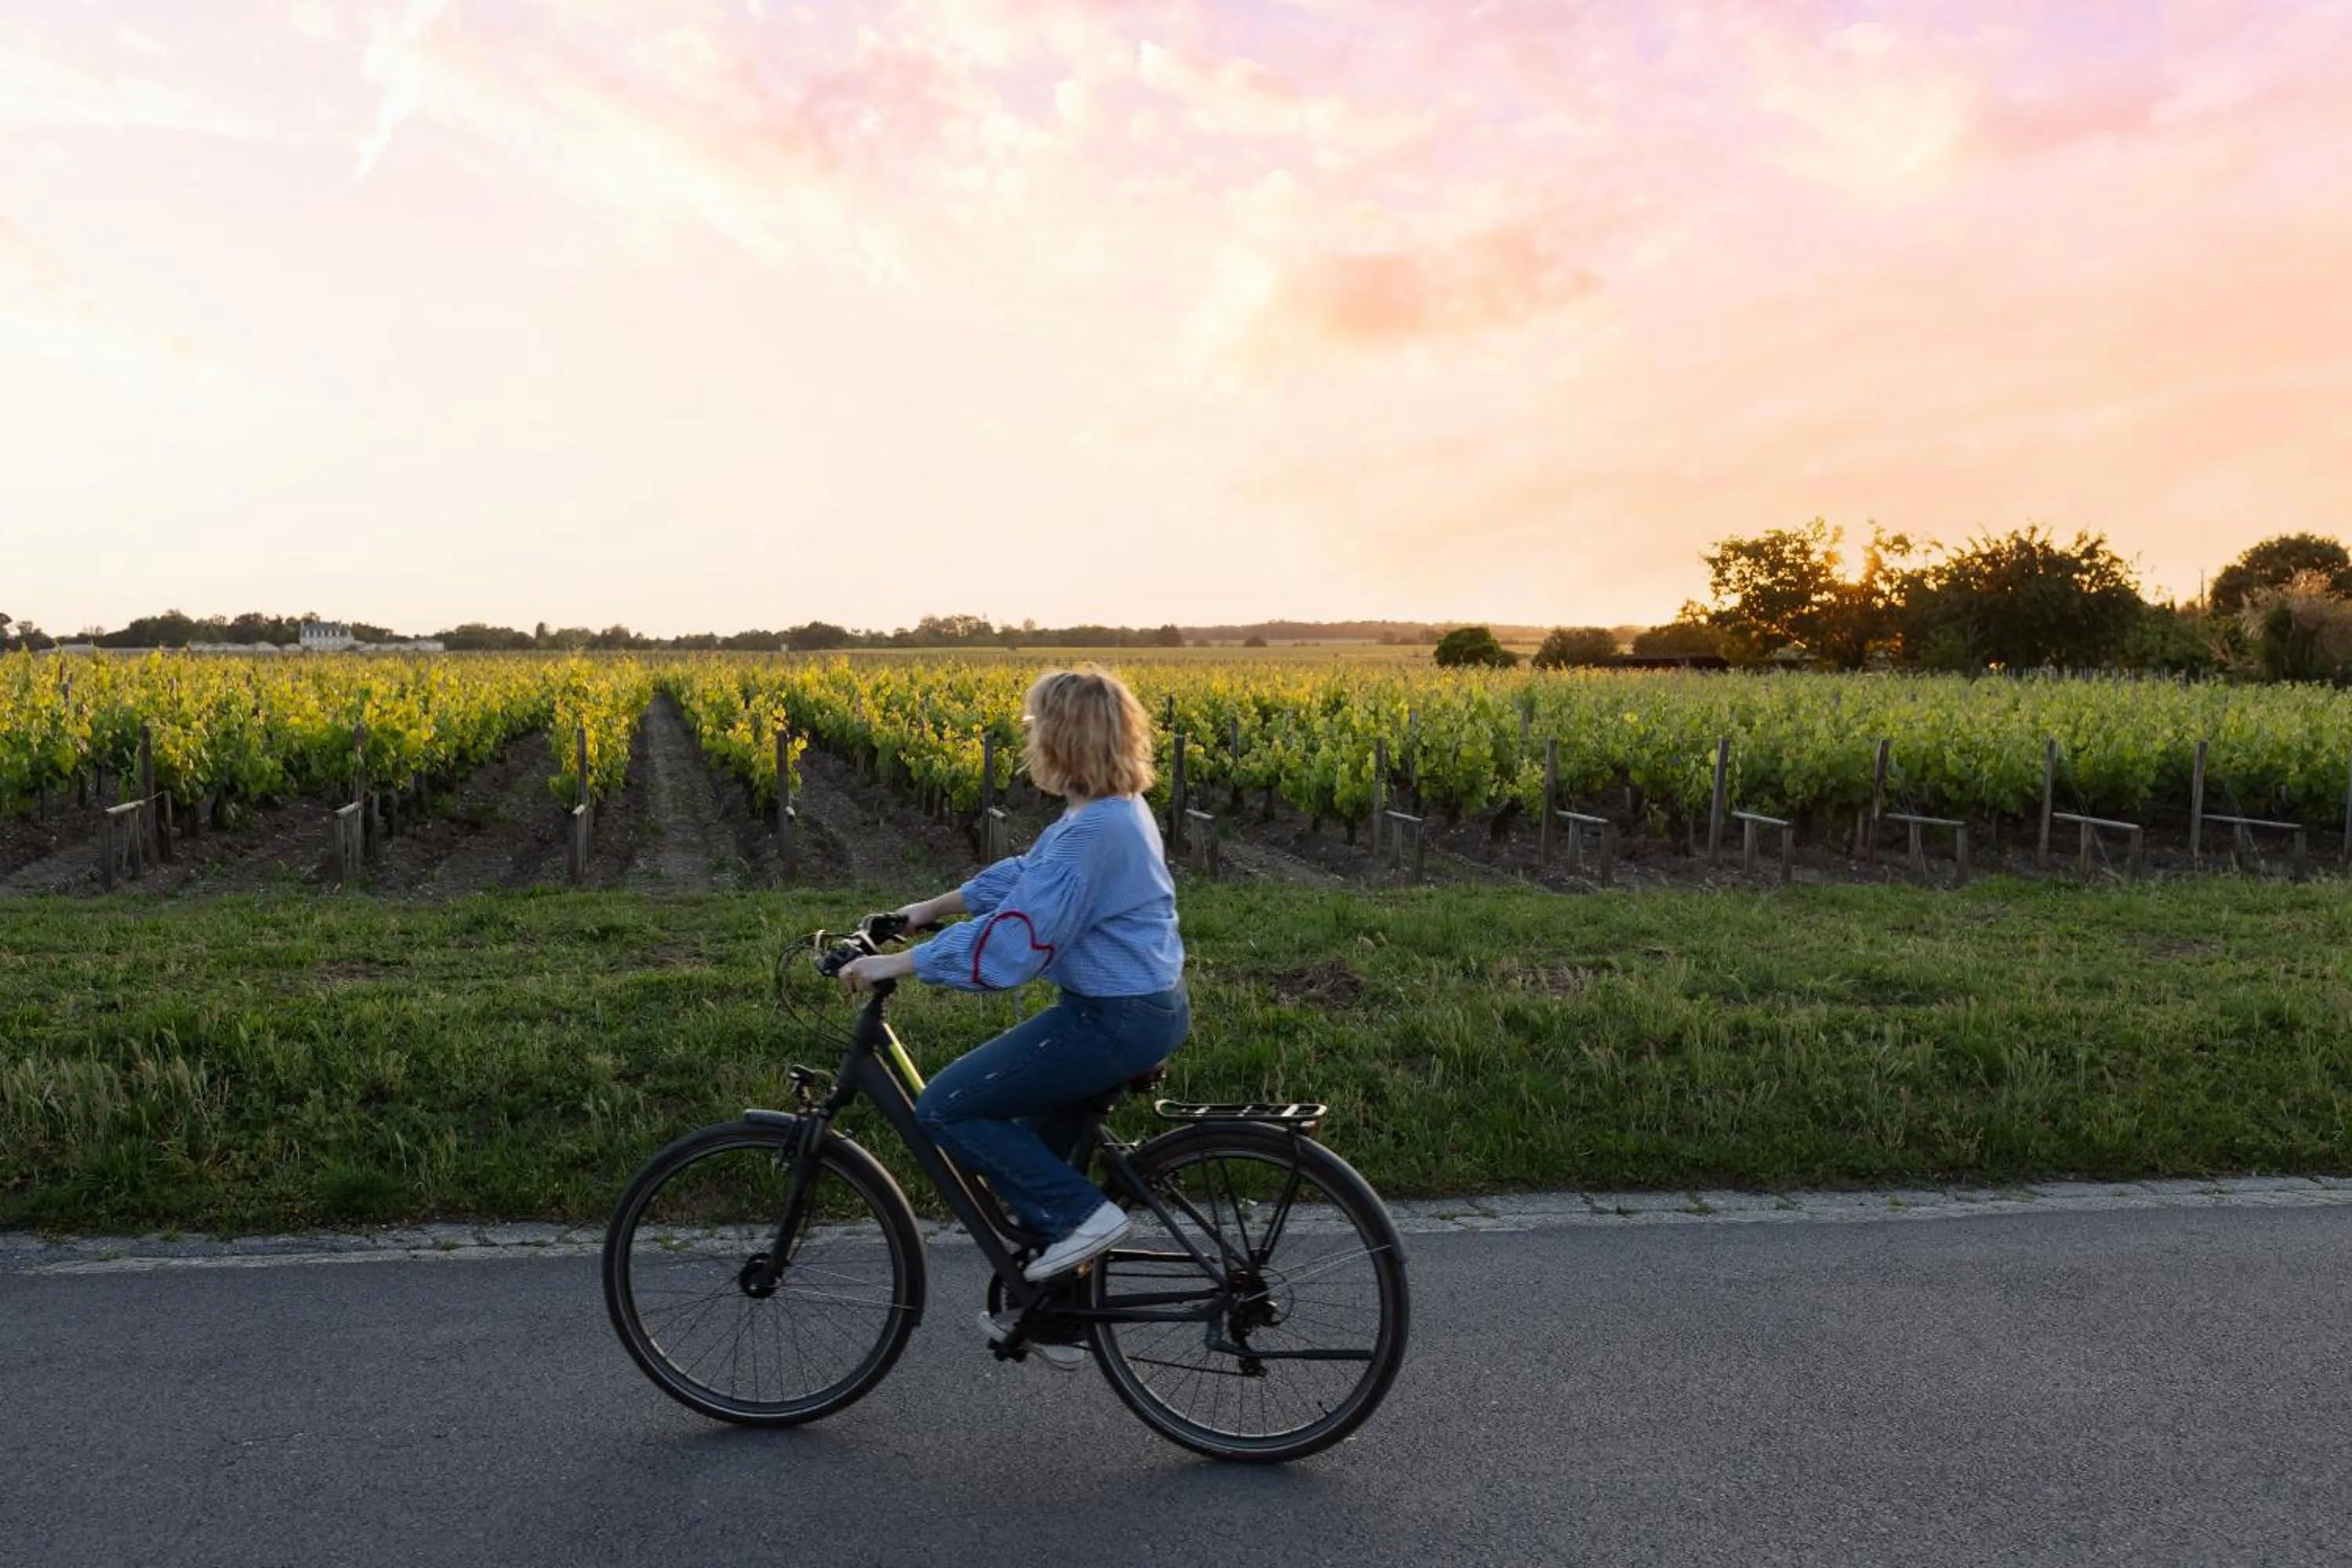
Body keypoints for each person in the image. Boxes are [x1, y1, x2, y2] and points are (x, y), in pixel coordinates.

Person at [837, 667, 1189, 1362]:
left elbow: (1018, 935)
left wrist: (899, 964)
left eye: (1035, 726)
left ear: (1063, 737)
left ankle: (1086, 1218)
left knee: (948, 1108)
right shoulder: (1107, 811)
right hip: (1142, 1009)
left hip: (1112, 1020)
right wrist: (927, 911)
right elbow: (1026, 874)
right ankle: (1057, 1313)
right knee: (1025, 1155)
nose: (1028, 738)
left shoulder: (1096, 832)